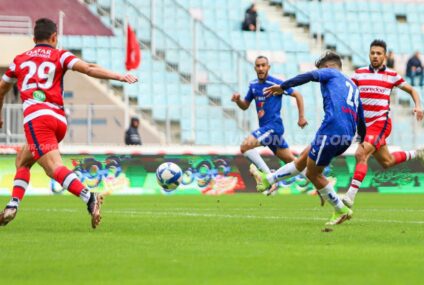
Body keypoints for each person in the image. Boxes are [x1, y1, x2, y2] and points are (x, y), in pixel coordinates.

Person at [0, 18, 138, 228]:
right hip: (58, 121)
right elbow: (89, 68)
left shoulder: (19, 60)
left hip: (38, 120)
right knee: (23, 159)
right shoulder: (61, 54)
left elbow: (1, 89)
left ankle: (89, 197)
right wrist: (119, 76)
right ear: (54, 37)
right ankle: (12, 205)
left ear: (33, 38)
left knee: (53, 168)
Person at [251, 51, 366, 226]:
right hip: (347, 136)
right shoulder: (354, 87)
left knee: (313, 172)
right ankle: (268, 180)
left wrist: (283, 86)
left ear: (327, 67)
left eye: (321, 70)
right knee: (303, 160)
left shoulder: (331, 72)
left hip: (331, 128)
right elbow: (361, 118)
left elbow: (310, 76)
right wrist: (362, 139)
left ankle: (340, 208)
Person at [343, 40, 423, 208]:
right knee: (387, 161)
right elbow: (347, 92)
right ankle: (416, 153)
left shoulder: (392, 75)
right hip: (364, 127)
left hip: (381, 123)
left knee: (360, 154)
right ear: (369, 54)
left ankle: (349, 196)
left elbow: (412, 90)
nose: (375, 56)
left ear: (385, 56)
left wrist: (418, 106)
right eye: (373, 53)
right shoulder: (359, 74)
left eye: (379, 53)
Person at [231, 56, 308, 194]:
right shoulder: (253, 85)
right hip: (267, 130)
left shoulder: (276, 83)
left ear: (268, 67)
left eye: (263, 65)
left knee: (245, 146)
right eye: (258, 66)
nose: (260, 68)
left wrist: (301, 117)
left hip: (273, 127)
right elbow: (245, 106)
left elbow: (298, 95)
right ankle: (320, 183)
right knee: (292, 162)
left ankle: (268, 179)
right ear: (255, 68)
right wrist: (238, 101)